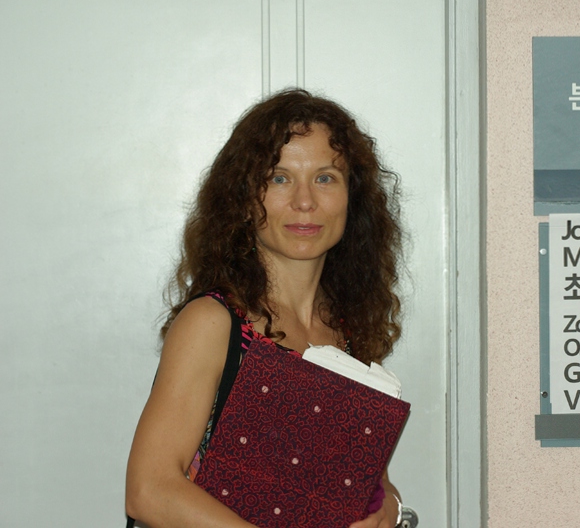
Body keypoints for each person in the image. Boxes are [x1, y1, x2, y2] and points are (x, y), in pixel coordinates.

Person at [125, 89, 404, 528]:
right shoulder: (213, 322)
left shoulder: (346, 330)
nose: (304, 201)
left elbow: (368, 483)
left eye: (325, 178)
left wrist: (389, 508)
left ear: (353, 197)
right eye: (278, 178)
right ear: (242, 197)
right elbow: (149, 491)